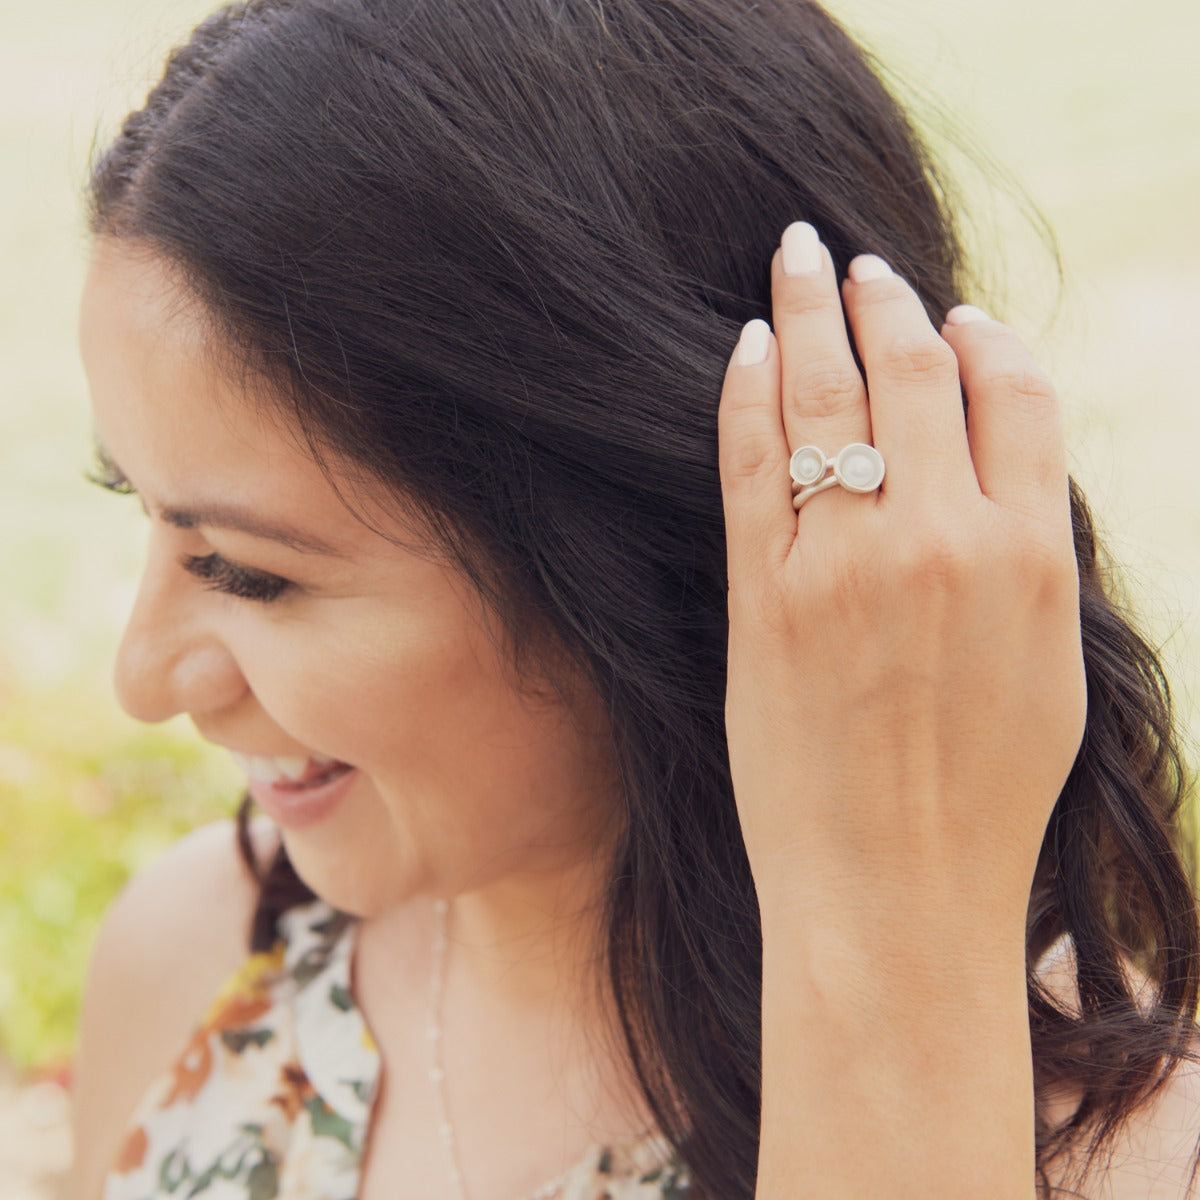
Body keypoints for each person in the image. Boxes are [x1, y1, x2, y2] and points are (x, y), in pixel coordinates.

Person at [64, 0, 1200, 1196]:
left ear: (640, 554)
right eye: (131, 498)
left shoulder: (1115, 1159)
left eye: (251, 573)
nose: (143, 679)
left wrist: (884, 946)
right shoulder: (192, 966)